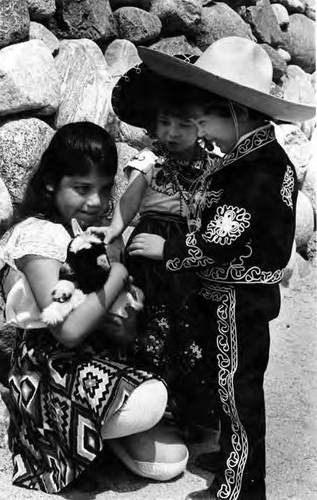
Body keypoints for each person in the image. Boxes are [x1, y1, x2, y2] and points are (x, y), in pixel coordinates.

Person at [113, 37, 314, 500]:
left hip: (237, 298)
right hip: (238, 295)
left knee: (239, 391)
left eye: (206, 120)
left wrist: (168, 249)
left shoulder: (249, 170)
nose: (201, 130)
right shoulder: (258, 159)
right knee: (227, 385)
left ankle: (242, 487)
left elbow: (219, 240)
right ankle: (229, 459)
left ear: (235, 112)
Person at [0, 121, 188, 494]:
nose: (96, 203)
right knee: (150, 400)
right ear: (52, 183)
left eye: (103, 189)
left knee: (171, 461)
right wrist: (117, 274)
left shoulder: (81, 234)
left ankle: (101, 438)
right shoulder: (39, 236)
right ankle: (79, 438)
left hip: (90, 358)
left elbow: (109, 319)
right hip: (49, 372)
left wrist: (124, 305)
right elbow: (66, 330)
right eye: (82, 189)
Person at [90, 66, 218, 438]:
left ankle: (191, 412)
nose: (172, 132)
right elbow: (128, 205)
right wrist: (113, 231)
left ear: (202, 126)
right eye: (165, 122)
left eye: (184, 124)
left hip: (189, 253)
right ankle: (147, 411)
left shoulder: (214, 167)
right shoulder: (151, 159)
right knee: (147, 324)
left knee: (194, 328)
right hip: (150, 251)